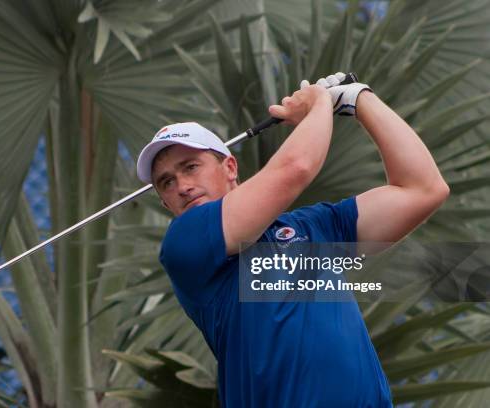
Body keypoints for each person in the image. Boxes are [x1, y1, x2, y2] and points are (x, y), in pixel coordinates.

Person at [135, 73, 449, 407]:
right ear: (164, 202)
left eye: (190, 166)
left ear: (229, 166)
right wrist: (319, 105)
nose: (181, 185)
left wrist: (357, 99)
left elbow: (424, 189)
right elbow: (296, 168)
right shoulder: (185, 243)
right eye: (166, 182)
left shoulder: (313, 227)